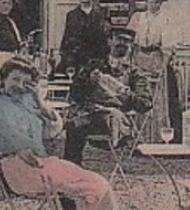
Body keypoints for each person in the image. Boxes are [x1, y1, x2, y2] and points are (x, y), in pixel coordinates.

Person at [0, 57, 124, 210]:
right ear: (3, 80)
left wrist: (41, 104)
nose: (19, 86)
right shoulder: (2, 108)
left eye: (25, 82)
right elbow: (21, 145)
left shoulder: (26, 104)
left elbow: (52, 132)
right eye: (14, 79)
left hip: (38, 164)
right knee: (89, 187)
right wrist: (39, 157)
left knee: (97, 182)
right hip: (22, 169)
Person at [63, 26, 154, 164]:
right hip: (91, 117)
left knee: (76, 124)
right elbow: (74, 94)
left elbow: (145, 104)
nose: (122, 44)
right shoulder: (93, 67)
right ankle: (72, 170)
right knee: (74, 125)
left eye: (127, 41)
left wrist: (124, 93)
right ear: (110, 41)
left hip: (115, 122)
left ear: (131, 46)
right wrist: (88, 82)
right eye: (119, 39)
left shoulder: (135, 74)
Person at [131, 0, 184, 130]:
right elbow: (130, 41)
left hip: (157, 58)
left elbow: (168, 46)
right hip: (140, 58)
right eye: (151, 1)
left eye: (157, 2)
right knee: (141, 93)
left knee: (158, 97)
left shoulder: (166, 19)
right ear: (146, 2)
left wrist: (163, 66)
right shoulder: (138, 17)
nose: (154, 5)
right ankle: (139, 134)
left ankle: (157, 134)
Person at [57, 0, 111, 75]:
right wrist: (67, 59)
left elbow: (108, 38)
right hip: (77, 62)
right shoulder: (72, 15)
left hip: (97, 61)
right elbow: (66, 39)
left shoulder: (102, 14)